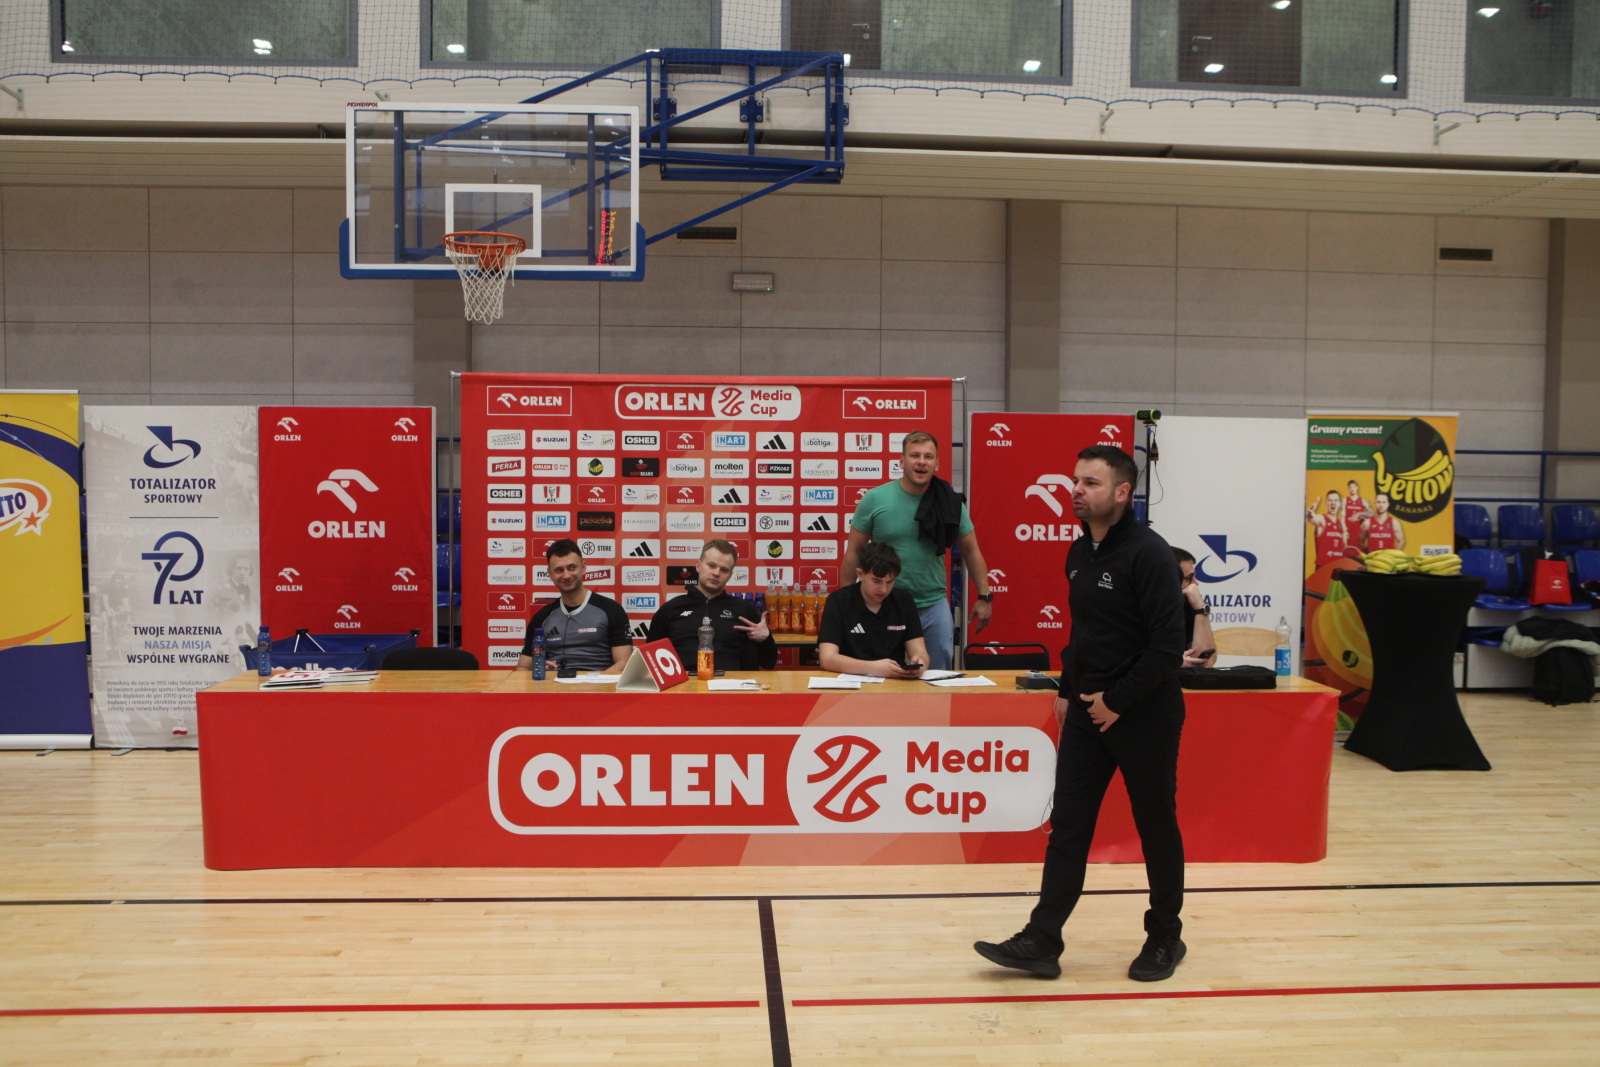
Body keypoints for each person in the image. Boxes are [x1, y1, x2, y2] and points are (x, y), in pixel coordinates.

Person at [974, 444, 1188, 983]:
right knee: (1068, 825)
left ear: (1122, 492)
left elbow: (1167, 648)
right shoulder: (1079, 552)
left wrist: (1118, 701)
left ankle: (1165, 936)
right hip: (1090, 714)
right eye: (1075, 481)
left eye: (1090, 483)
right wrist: (1069, 690)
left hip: (1144, 712)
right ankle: (1042, 940)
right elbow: (1086, 634)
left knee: (1155, 827)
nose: (1075, 490)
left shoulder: (1150, 554)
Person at [842, 431, 993, 671]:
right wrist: (846, 601)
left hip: (931, 604)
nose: (921, 461)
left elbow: (971, 550)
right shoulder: (875, 499)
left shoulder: (950, 503)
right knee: (879, 675)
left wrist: (984, 597)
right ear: (902, 461)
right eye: (915, 455)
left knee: (936, 676)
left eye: (928, 456)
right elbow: (854, 552)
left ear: (936, 464)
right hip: (882, 603)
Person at [647, 539, 776, 672]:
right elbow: (651, 662)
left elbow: (769, 663)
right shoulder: (670, 609)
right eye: (711, 565)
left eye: (724, 570)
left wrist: (766, 639)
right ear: (698, 566)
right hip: (683, 682)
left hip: (731, 682)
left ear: (730, 575)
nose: (716, 573)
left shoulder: (744, 610)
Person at [816, 542, 929, 678]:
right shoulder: (838, 601)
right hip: (849, 682)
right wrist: (874, 668)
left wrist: (920, 662)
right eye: (877, 581)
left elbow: (920, 651)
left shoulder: (904, 600)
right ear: (860, 574)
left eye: (890, 582)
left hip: (894, 683)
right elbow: (827, 659)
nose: (883, 589)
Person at [518, 539, 632, 672]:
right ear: (549, 574)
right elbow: (523, 667)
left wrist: (596, 681)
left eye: (572, 568)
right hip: (554, 683)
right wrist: (538, 669)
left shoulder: (612, 610)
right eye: (559, 570)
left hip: (599, 682)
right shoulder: (541, 617)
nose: (566, 575)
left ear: (583, 568)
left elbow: (624, 663)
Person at [1171, 547, 1217, 668]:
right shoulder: (1135, 609)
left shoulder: (1187, 604)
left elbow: (1207, 663)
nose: (1195, 583)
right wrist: (1171, 662)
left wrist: (1201, 609)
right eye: (1188, 578)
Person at [1306, 490, 1349, 566]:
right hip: (1323, 569)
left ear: (1339, 504)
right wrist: (1309, 512)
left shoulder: (1341, 524)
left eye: (1336, 500)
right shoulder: (1322, 519)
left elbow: (1345, 548)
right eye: (1330, 500)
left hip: (1338, 569)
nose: (1333, 503)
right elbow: (1313, 518)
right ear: (1326, 503)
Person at [1342, 479, 1371, 550]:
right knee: (1348, 551)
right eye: (1350, 487)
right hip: (1349, 531)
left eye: (1354, 487)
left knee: (1359, 551)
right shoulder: (1345, 500)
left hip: (1359, 531)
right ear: (1348, 489)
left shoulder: (1363, 501)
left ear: (1357, 487)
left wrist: (1360, 514)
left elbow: (1371, 513)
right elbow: (1342, 518)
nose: (1352, 489)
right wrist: (1344, 530)